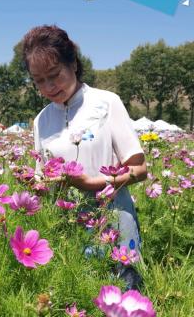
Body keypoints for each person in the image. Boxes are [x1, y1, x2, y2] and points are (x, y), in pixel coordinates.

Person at [21, 25, 147, 289]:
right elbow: (44, 180)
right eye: (39, 80)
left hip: (113, 219)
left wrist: (92, 184)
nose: (49, 86)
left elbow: (140, 169)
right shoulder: (41, 120)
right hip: (68, 223)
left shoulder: (106, 102)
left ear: (74, 64)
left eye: (54, 75)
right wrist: (35, 183)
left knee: (122, 294)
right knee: (81, 296)